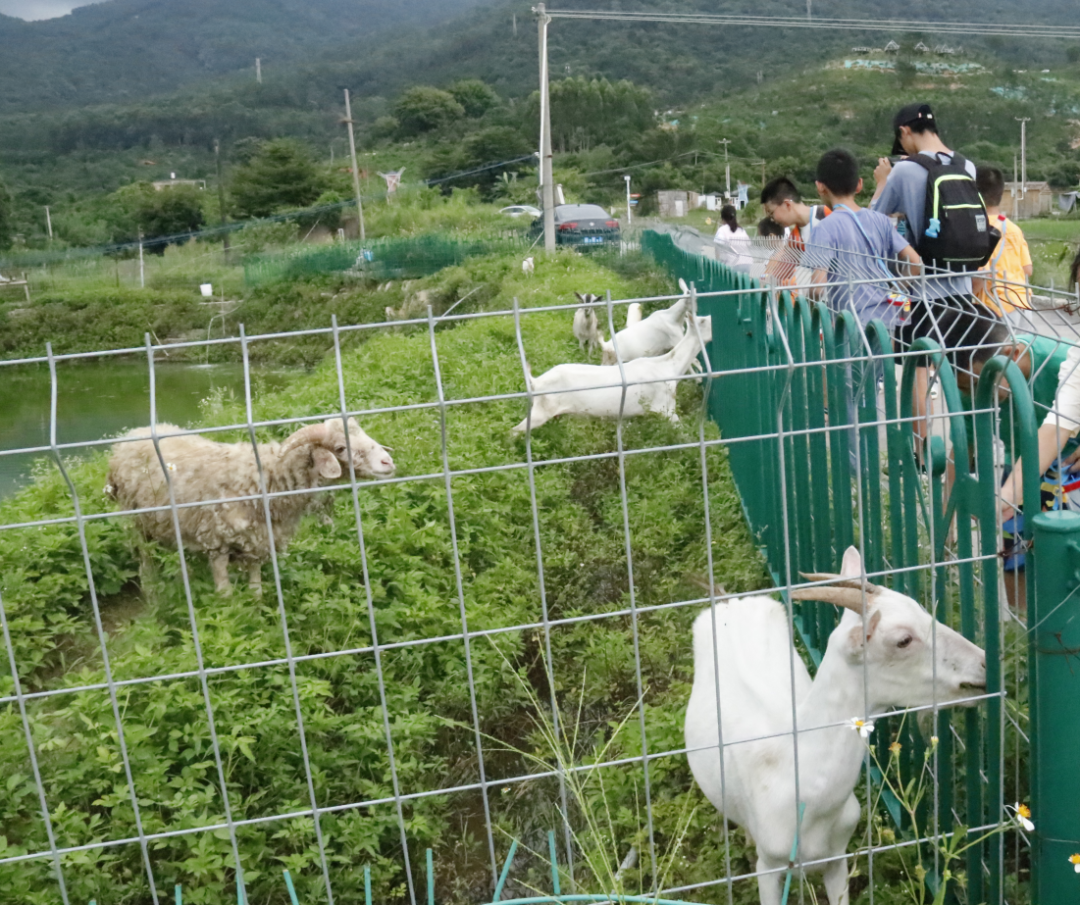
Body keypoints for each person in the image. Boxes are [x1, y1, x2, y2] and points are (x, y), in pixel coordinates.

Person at [940, 307, 1080, 611]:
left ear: (1013, 353)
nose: (977, 394)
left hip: (1072, 469)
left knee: (1069, 563)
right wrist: (948, 517)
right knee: (1015, 558)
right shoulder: (971, 381)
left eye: (981, 384)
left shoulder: (1062, 362)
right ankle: (1025, 635)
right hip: (1023, 468)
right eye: (967, 388)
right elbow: (962, 450)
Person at [802, 148, 921, 328]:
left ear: (820, 187)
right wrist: (894, 291)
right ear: (859, 184)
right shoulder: (881, 220)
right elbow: (915, 262)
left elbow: (818, 288)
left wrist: (810, 309)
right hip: (885, 320)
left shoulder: (824, 228)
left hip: (849, 323)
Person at [973, 165, 1033, 319]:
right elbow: (1028, 269)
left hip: (995, 307)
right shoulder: (1012, 228)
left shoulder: (978, 230)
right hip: (1023, 303)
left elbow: (980, 275)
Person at [760, 176, 831, 285]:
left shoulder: (827, 215)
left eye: (771, 213)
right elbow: (779, 272)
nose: (772, 219)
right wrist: (761, 278)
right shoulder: (796, 238)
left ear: (787, 204)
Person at [714, 204, 753, 272]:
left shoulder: (722, 230)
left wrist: (719, 264)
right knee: (743, 282)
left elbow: (717, 249)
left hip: (732, 265)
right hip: (747, 263)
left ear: (722, 218)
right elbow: (749, 244)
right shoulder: (741, 230)